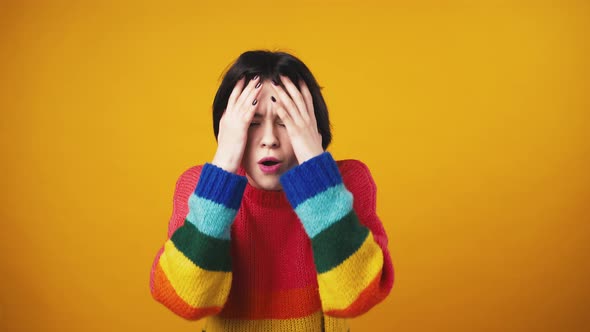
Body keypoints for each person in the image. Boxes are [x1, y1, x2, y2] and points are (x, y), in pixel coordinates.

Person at [149, 50, 395, 332]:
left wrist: (315, 168)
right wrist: (223, 166)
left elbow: (357, 296)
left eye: (286, 122)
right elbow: (186, 300)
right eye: (252, 124)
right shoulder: (199, 189)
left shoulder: (346, 183)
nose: (269, 140)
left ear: (312, 126)